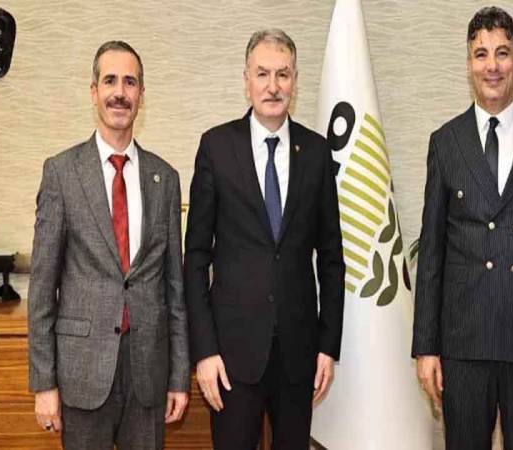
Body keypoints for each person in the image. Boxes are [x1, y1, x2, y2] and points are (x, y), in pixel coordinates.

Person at [412, 7, 513, 449]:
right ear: (469, 62)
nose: (492, 66)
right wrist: (425, 346)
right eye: (481, 54)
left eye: (502, 53)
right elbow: (432, 253)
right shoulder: (445, 143)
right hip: (464, 344)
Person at [184, 29, 345, 450]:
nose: (273, 86)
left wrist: (328, 347)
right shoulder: (216, 147)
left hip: (299, 355)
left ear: (295, 81)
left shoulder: (316, 153)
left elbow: (332, 258)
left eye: (282, 74)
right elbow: (196, 257)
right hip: (231, 357)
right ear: (246, 80)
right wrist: (204, 351)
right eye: (262, 74)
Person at [27, 40, 189, 450]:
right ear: (93, 91)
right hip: (82, 373)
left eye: (130, 82)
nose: (120, 92)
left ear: (141, 95)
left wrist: (179, 377)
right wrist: (44, 383)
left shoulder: (165, 179)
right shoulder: (62, 173)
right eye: (110, 81)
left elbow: (175, 288)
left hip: (148, 374)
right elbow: (42, 287)